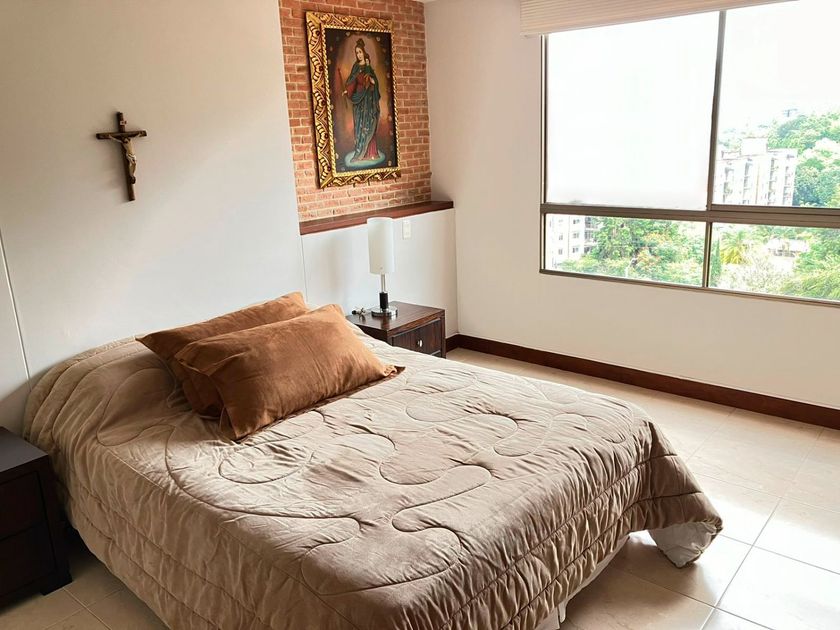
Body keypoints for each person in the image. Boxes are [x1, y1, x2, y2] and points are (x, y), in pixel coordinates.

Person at [342, 38, 381, 163]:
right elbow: (352, 81)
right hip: (359, 101)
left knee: (369, 122)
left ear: (363, 52)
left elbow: (374, 81)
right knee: (360, 125)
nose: (358, 54)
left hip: (369, 100)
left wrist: (373, 82)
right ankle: (360, 152)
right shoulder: (355, 66)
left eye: (360, 52)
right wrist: (347, 91)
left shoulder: (368, 66)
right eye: (357, 53)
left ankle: (371, 153)